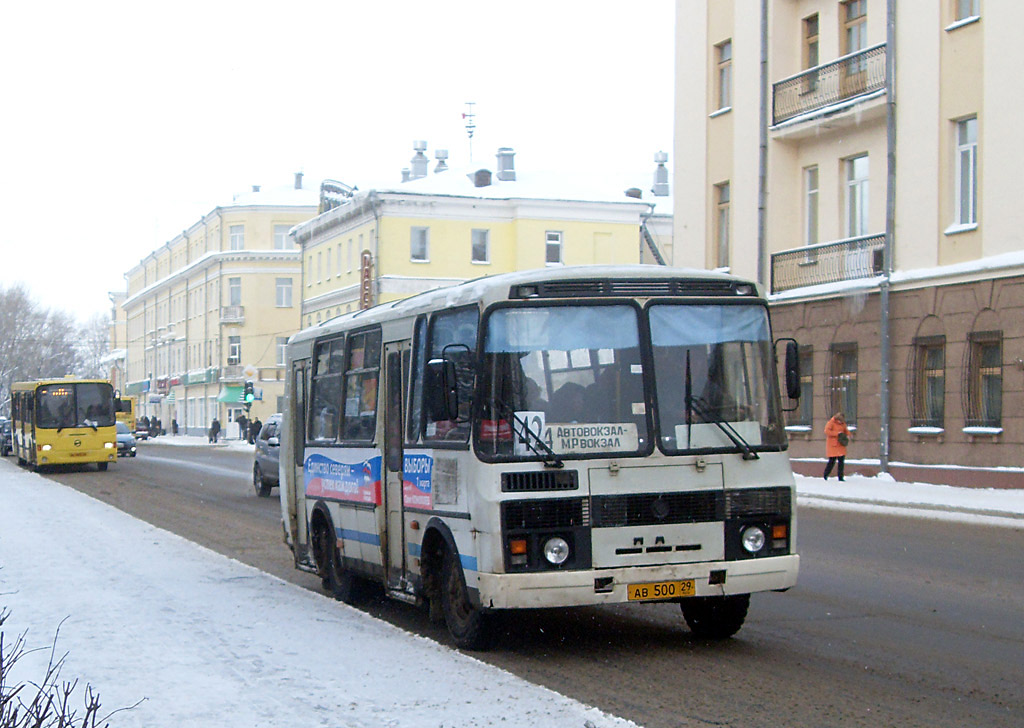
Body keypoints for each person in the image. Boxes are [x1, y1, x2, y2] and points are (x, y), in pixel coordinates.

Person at [823, 412, 851, 481]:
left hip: (841, 444)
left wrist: (848, 434)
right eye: (840, 420)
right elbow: (827, 431)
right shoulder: (831, 422)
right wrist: (837, 434)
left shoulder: (843, 424)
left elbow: (846, 430)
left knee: (841, 461)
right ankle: (826, 474)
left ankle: (840, 477)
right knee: (832, 461)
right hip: (833, 445)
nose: (841, 421)